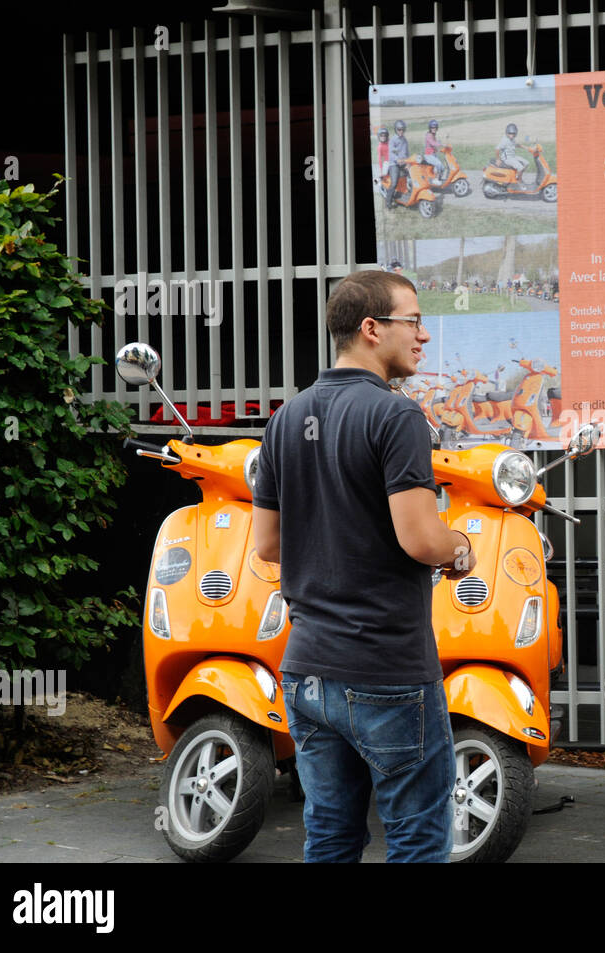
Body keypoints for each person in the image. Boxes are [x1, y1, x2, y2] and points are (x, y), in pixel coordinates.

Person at [251, 270, 477, 863]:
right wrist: (461, 549)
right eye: (414, 321)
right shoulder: (397, 416)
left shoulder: (283, 419)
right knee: (417, 837)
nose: (424, 335)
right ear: (372, 329)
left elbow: (267, 545)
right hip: (386, 670)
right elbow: (420, 539)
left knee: (329, 835)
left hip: (306, 672)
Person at [424, 119, 446, 184]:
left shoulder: (433, 135)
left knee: (442, 167)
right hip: (428, 155)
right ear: (430, 128)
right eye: (432, 127)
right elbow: (433, 143)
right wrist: (441, 144)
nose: (434, 129)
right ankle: (435, 179)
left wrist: (440, 149)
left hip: (433, 155)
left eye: (435, 127)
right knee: (438, 164)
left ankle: (439, 178)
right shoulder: (428, 135)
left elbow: (434, 145)